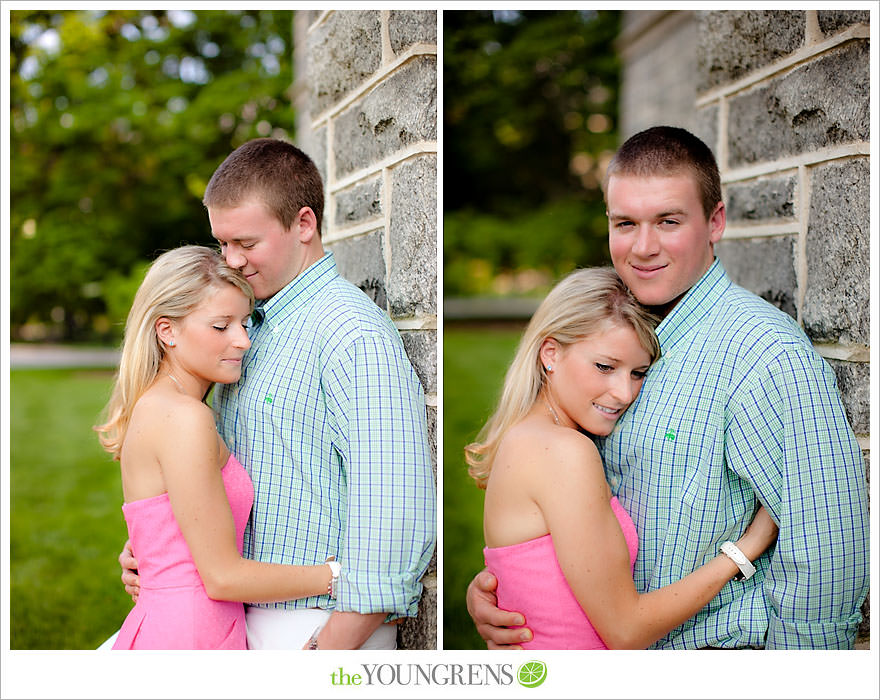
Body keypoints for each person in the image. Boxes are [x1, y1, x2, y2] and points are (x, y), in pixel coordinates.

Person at [466, 126, 869, 650]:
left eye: (669, 221)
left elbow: (828, 553)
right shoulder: (613, 331)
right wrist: (513, 592)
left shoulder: (764, 355)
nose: (643, 247)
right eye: (625, 223)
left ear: (715, 221)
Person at [118, 139, 436, 650]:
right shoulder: (250, 327)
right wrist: (164, 554)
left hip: (314, 628)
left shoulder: (351, 333)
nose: (232, 260)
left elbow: (395, 510)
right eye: (222, 243)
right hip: (233, 616)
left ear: (304, 224)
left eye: (246, 243)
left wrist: (332, 646)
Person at [468, 266, 779, 649]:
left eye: (638, 373)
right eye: (605, 366)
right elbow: (626, 631)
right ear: (550, 353)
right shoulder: (563, 452)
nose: (623, 393)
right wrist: (745, 548)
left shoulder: (527, 438)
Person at [95, 246, 337, 649]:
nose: (243, 340)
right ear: (167, 331)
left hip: (187, 623)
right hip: (191, 635)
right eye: (221, 326)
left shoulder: (162, 405)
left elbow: (165, 535)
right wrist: (339, 576)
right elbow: (223, 576)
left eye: (245, 321)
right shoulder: (183, 418)